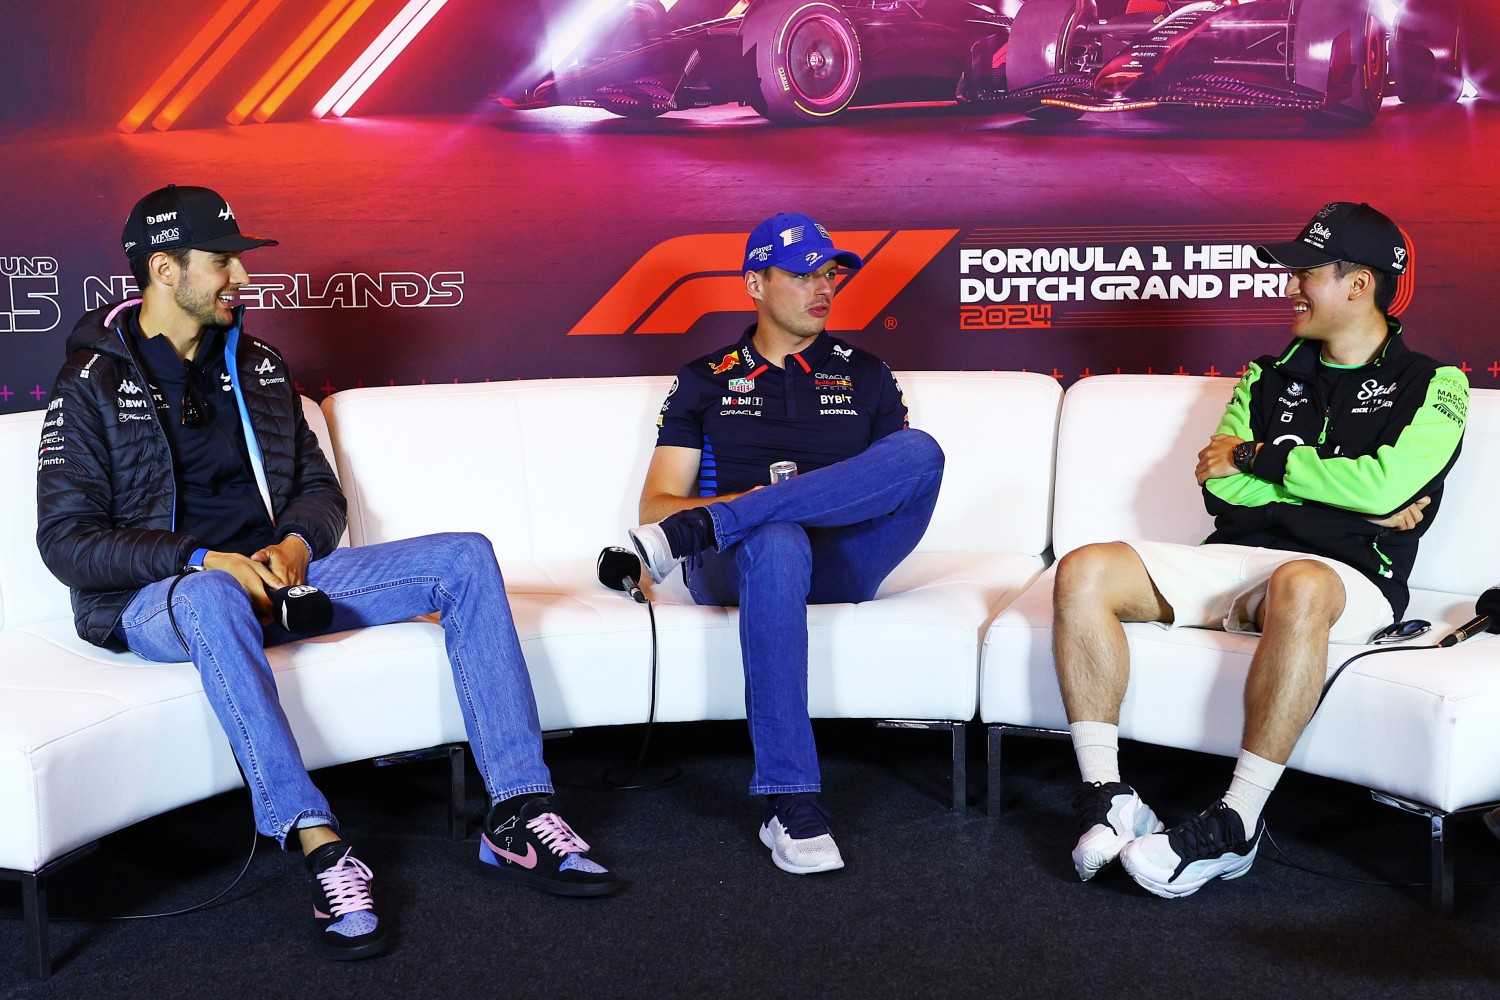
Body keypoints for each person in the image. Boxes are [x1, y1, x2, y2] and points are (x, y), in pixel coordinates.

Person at [35, 185, 623, 962]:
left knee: (464, 558)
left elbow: (320, 491)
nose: (242, 280)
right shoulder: (90, 385)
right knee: (214, 597)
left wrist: (295, 549)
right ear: (165, 270)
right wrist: (201, 559)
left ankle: (516, 813)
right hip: (164, 599)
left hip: (285, 584)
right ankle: (321, 845)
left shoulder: (261, 366)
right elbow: (67, 542)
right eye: (223, 263)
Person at [1054, 201, 1468, 898]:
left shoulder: (1435, 383)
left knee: (1299, 584)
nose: (1288, 287)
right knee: (1085, 568)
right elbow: (1223, 490)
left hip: (1345, 577)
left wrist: (1260, 459)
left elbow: (1387, 484)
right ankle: (1108, 797)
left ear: (1358, 284)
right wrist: (1348, 505)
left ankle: (1236, 823)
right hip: (1239, 555)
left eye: (1305, 272)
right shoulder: (1264, 374)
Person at [627, 211, 945, 875]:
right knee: (775, 539)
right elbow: (657, 504)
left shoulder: (868, 373)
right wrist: (753, 517)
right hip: (736, 566)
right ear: (755, 283)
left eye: (830, 273)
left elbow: (888, 486)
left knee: (919, 452)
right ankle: (790, 799)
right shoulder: (704, 377)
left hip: (843, 558)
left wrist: (716, 515)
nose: (823, 286)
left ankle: (712, 525)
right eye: (803, 274)